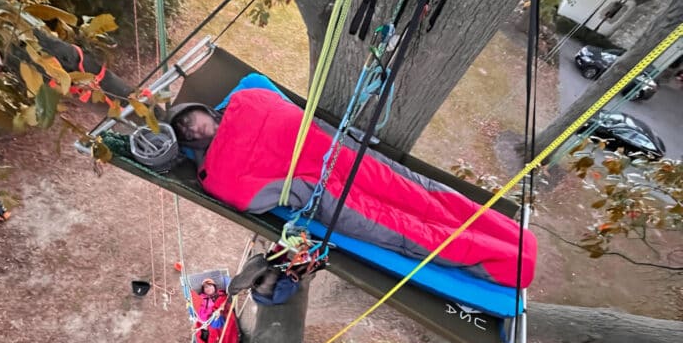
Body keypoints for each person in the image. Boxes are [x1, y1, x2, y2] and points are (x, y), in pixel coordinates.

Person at [168, 85, 536, 289]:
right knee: (406, 230)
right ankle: (505, 264)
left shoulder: (247, 99)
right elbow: (250, 199)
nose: (189, 127)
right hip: (324, 193)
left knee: (424, 196)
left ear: (201, 108)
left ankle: (510, 236)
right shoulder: (214, 174)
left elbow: (289, 111)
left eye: (188, 118)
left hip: (340, 153)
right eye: (182, 131)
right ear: (187, 145)